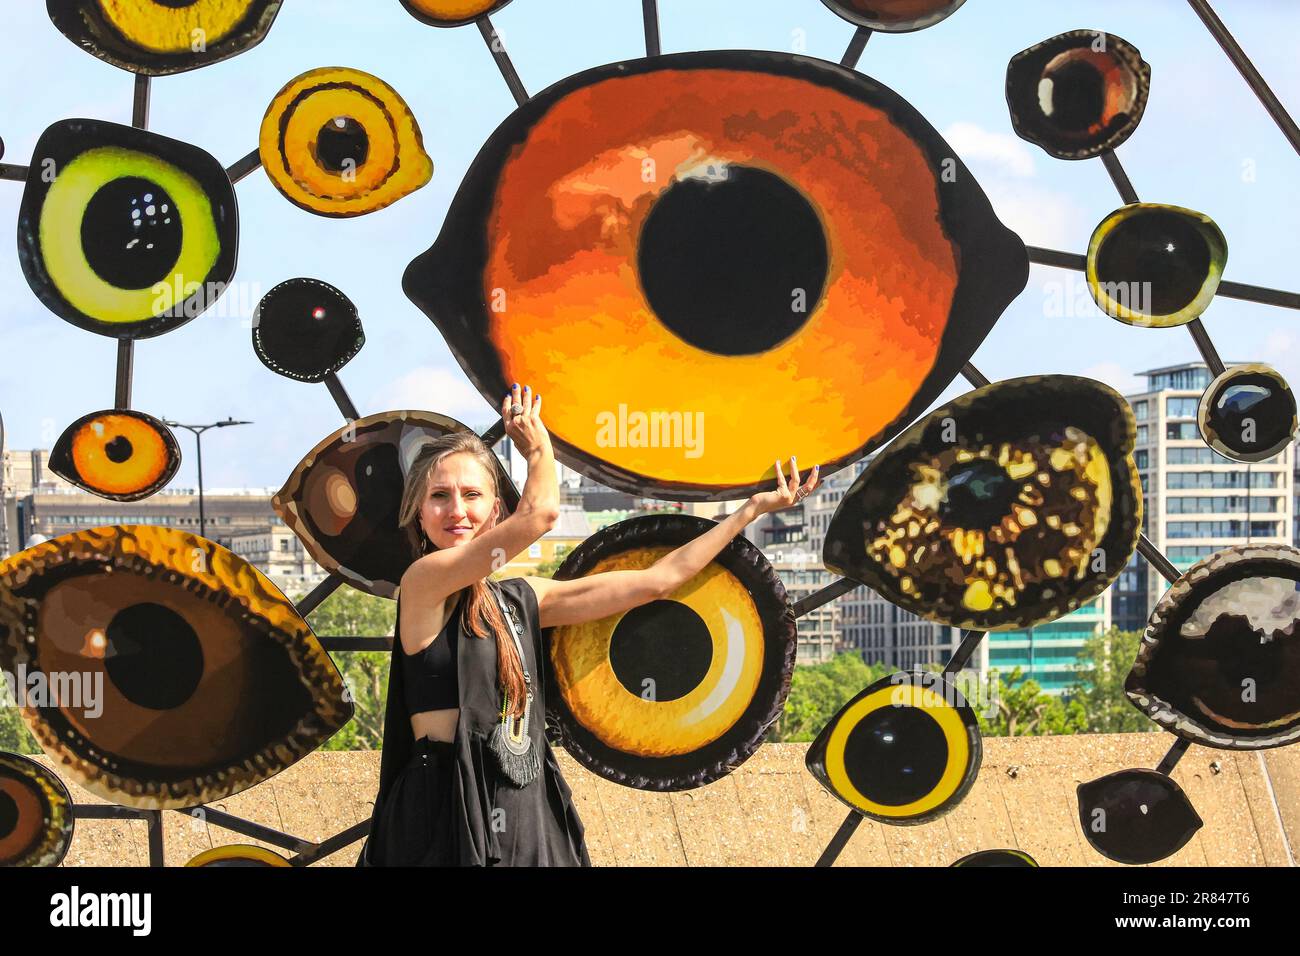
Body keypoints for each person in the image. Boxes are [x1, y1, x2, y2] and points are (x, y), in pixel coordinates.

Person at [357, 383, 820, 866]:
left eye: (472, 494)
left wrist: (748, 511)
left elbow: (658, 581)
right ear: (418, 511)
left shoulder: (522, 599)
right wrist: (538, 448)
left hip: (520, 802)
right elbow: (542, 514)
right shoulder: (423, 585)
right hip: (441, 813)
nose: (457, 510)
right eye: (439, 496)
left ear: (495, 509)